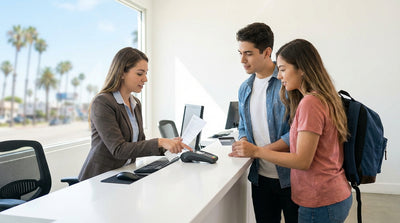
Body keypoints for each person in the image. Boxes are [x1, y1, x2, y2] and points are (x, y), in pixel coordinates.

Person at [230, 39, 352, 223]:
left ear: (301, 68)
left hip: (320, 200)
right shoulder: (320, 98)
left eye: (283, 69)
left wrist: (257, 151)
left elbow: (302, 160)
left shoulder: (311, 103)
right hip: (329, 196)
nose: (279, 76)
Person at [78, 47, 191, 181]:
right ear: (121, 73)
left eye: (146, 73)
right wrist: (160, 141)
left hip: (123, 173)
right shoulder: (103, 102)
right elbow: (119, 149)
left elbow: (139, 144)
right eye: (139, 74)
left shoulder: (135, 103)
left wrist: (168, 145)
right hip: (99, 178)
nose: (145, 79)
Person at [235, 22, 298, 223]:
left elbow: (296, 132)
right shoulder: (245, 88)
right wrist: (244, 143)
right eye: (240, 53)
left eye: (249, 53)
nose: (242, 60)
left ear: (266, 51)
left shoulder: (288, 84)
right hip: (260, 178)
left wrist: (260, 152)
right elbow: (243, 125)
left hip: (291, 178)